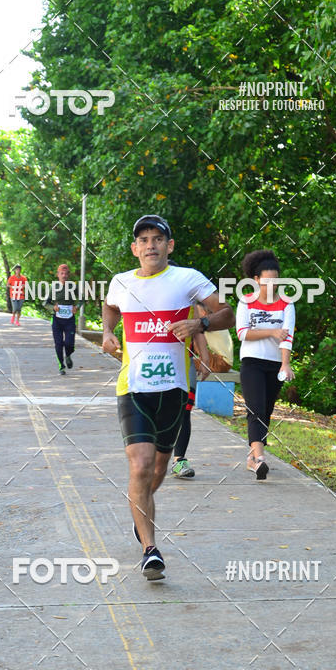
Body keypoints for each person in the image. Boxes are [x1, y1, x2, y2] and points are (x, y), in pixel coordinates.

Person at [102, 214, 235, 579]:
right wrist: (107, 332)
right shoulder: (121, 282)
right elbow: (111, 307)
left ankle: (139, 510)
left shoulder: (187, 279)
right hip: (133, 389)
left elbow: (227, 312)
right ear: (135, 249)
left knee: (159, 468)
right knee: (141, 466)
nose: (150, 245)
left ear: (169, 245)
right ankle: (150, 549)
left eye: (157, 239)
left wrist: (200, 323)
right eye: (143, 240)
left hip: (173, 390)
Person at [236, 249, 295, 480]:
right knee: (256, 409)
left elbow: (287, 336)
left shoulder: (286, 304)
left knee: (267, 411)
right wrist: (271, 331)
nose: (272, 286)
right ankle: (260, 459)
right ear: (257, 280)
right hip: (251, 362)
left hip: (274, 364)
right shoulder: (246, 301)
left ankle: (252, 457)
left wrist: (285, 364)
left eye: (276, 281)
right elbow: (242, 333)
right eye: (267, 281)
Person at [171, 306, 211, 478]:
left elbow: (197, 331)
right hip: (155, 365)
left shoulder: (187, 301)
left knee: (184, 410)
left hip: (184, 361)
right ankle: (152, 456)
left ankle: (179, 460)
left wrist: (205, 357)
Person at [44, 263, 78, 373]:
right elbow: (45, 303)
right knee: (58, 343)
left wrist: (76, 307)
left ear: (68, 275)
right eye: (61, 273)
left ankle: (68, 355)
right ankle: (61, 365)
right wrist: (53, 308)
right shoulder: (53, 288)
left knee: (69, 343)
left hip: (69, 320)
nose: (64, 275)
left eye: (65, 274)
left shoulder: (73, 287)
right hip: (57, 320)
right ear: (58, 275)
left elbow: (82, 299)